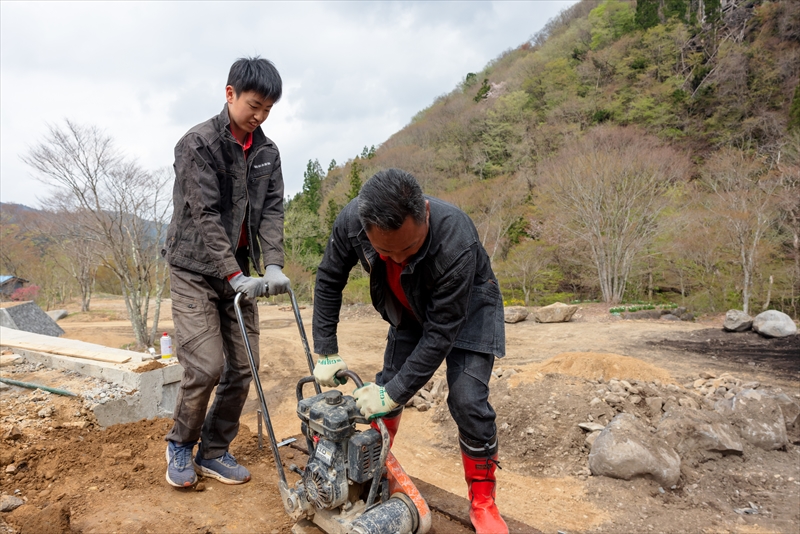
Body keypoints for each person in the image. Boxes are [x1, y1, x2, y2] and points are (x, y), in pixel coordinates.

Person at [312, 168, 508, 534]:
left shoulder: (456, 238)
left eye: (409, 248)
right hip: (407, 307)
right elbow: (328, 279)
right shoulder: (352, 221)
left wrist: (395, 392)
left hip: (468, 311)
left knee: (468, 401)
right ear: (366, 229)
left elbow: (440, 334)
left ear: (426, 215)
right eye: (386, 252)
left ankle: (484, 501)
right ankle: (372, 473)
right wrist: (326, 350)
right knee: (383, 391)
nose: (399, 259)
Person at [162, 57, 291, 488]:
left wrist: (272, 264)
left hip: (240, 272)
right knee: (206, 366)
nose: (259, 116)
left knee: (244, 366)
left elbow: (272, 210)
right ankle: (181, 443)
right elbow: (205, 214)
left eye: (268, 109)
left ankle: (214, 451)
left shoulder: (268, 153)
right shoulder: (197, 144)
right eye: (254, 105)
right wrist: (234, 275)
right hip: (195, 269)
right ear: (229, 93)